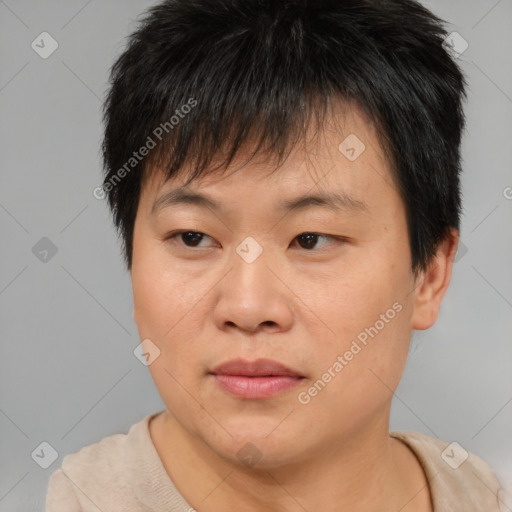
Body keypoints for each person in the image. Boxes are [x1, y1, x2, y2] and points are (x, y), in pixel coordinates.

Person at [45, 0, 505, 510]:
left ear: (430, 276)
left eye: (311, 239)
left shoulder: (481, 494)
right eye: (194, 238)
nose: (247, 307)